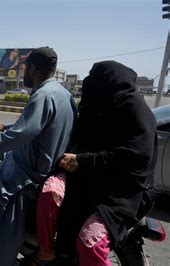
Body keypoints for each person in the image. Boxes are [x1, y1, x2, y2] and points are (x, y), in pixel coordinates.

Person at [0, 47, 77, 265]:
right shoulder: (63, 93)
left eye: (26, 68)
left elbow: (14, 137)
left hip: (26, 173)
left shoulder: (42, 96)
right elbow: (37, 125)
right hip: (45, 165)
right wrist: (6, 125)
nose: (25, 73)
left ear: (34, 69)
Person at [51, 61, 158, 265]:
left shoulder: (133, 108)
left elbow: (136, 155)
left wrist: (82, 161)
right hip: (98, 180)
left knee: (89, 240)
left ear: (110, 82)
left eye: (95, 78)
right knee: (56, 204)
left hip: (127, 190)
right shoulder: (100, 107)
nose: (89, 83)